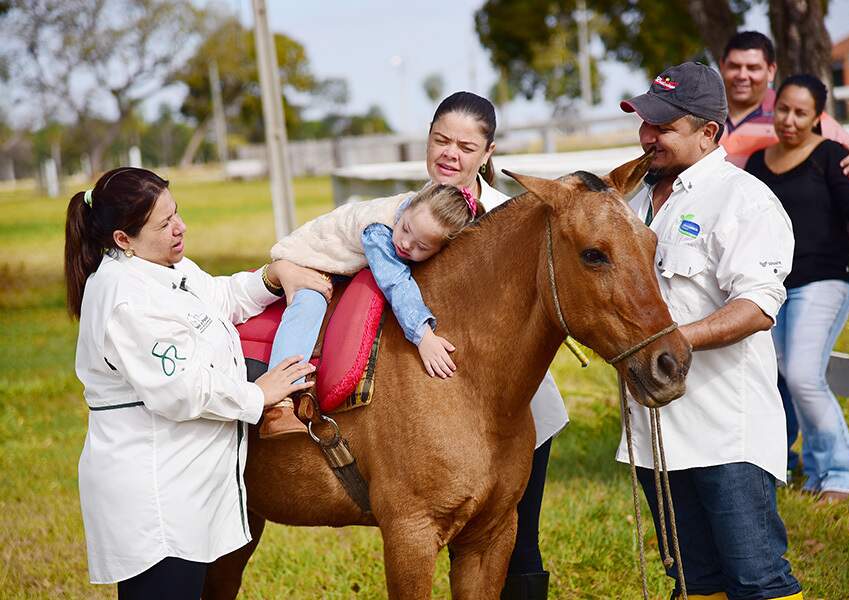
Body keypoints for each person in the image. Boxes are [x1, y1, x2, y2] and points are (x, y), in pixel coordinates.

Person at [65, 167, 329, 598]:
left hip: (185, 487)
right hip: (155, 495)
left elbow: (217, 299)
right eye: (163, 224)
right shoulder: (126, 298)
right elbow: (181, 389)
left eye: (176, 213)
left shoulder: (162, 267)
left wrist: (272, 276)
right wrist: (258, 394)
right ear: (122, 239)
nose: (179, 228)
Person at [617, 62, 803, 599]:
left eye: (663, 127)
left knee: (757, 580)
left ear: (708, 133)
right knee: (693, 580)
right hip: (656, 433)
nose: (648, 136)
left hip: (726, 431)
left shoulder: (743, 200)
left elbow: (758, 305)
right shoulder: (634, 201)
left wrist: (675, 342)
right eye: (645, 122)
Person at [425, 91, 569, 599]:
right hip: (444, 405)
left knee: (512, 542)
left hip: (518, 407)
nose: (450, 154)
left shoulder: (512, 220)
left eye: (466, 146)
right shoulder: (414, 210)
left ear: (487, 154)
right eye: (441, 140)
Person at [745, 75, 849, 502]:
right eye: (783, 110)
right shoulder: (758, 162)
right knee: (789, 377)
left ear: (817, 118)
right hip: (776, 287)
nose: (789, 120)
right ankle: (816, 473)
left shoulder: (830, 155)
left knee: (802, 376)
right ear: (773, 108)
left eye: (800, 113)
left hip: (825, 282)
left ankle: (842, 475)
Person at [259, 182, 485, 438]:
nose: (406, 244)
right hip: (308, 261)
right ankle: (278, 405)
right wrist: (423, 336)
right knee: (308, 306)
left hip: (340, 267)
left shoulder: (419, 216)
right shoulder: (379, 230)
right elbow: (395, 280)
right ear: (409, 206)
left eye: (421, 247)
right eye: (406, 229)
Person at [719, 31, 849, 182]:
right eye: (734, 66)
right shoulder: (703, 112)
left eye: (753, 68)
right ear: (722, 66)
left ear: (771, 71)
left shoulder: (793, 111)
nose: (742, 76)